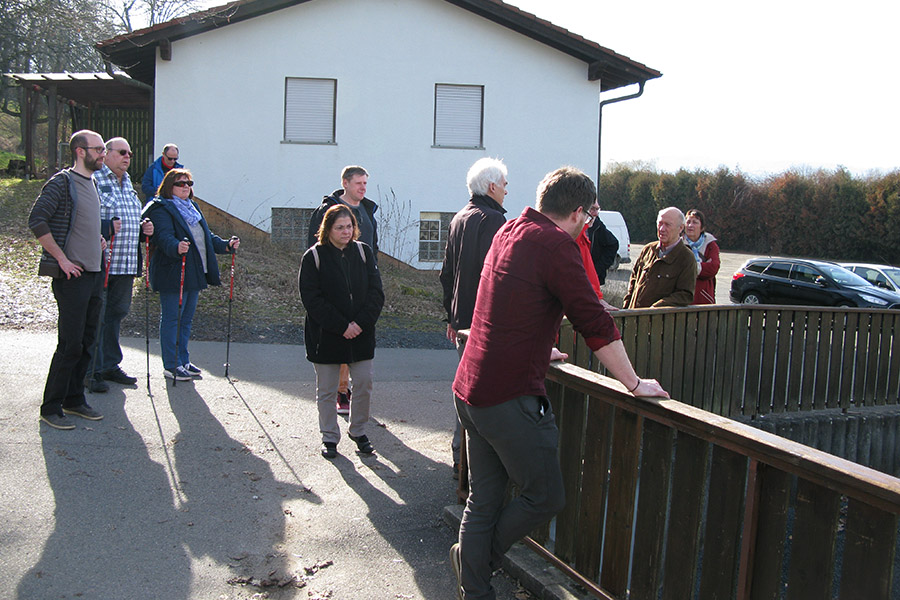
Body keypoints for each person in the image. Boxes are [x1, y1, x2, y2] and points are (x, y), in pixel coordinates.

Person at [450, 167, 669, 600]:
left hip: (470, 386)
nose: (588, 224)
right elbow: (594, 321)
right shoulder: (555, 245)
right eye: (589, 218)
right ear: (578, 212)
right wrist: (633, 382)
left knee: (484, 500)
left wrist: (536, 344)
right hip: (507, 396)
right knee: (544, 496)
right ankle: (475, 564)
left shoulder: (511, 229)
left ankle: (473, 586)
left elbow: (501, 300)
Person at [29, 130, 109, 429]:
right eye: (98, 149)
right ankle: (51, 407)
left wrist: (96, 240)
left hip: (93, 272)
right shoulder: (62, 183)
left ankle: (74, 400)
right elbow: (36, 219)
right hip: (71, 276)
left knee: (88, 341)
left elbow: (80, 224)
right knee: (70, 344)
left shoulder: (93, 183)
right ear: (79, 151)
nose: (103, 153)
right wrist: (62, 259)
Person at [440, 157, 508, 478]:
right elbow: (497, 279)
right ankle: (474, 468)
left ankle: (459, 460)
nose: (507, 191)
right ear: (492, 186)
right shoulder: (494, 221)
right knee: (481, 396)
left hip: (462, 324)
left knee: (464, 391)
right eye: (504, 184)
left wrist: (451, 318)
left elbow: (447, 274)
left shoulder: (458, 218)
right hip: (485, 326)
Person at [299, 204, 384, 459]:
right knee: (326, 390)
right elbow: (311, 300)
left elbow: (376, 293)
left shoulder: (364, 253)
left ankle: (358, 431)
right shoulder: (314, 256)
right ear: (328, 229)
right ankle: (329, 437)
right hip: (326, 336)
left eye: (349, 226)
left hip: (361, 334)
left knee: (364, 383)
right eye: (340, 227)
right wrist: (341, 326)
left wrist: (359, 324)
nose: (346, 232)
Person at [143, 169, 239, 381]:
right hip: (173, 271)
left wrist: (225, 246)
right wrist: (176, 246)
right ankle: (171, 364)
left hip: (194, 271)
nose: (186, 186)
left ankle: (183, 360)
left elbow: (205, 236)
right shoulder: (160, 208)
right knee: (171, 319)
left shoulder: (192, 208)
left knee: (185, 319)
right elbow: (163, 236)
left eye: (189, 182)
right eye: (180, 183)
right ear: (169, 187)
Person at [85, 136, 155, 392]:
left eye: (130, 153)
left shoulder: (128, 185)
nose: (127, 157)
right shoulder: (94, 180)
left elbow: (128, 221)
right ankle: (90, 370)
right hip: (100, 264)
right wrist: (105, 227)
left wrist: (142, 228)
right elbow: (83, 218)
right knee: (97, 317)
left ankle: (109, 365)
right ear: (107, 153)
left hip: (125, 264)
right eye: (122, 152)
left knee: (115, 316)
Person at [307, 166, 378, 415]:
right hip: (333, 289)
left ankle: (357, 415)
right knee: (337, 340)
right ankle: (340, 391)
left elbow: (373, 247)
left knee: (358, 345)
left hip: (361, 285)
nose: (363, 188)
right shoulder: (329, 211)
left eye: (365, 183)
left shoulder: (367, 210)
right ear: (345, 183)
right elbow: (314, 250)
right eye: (358, 183)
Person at [623, 207, 697, 309]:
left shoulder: (686, 258)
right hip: (633, 317)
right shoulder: (648, 250)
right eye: (660, 223)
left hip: (658, 321)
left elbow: (685, 295)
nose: (662, 229)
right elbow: (633, 282)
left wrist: (656, 308)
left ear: (680, 228)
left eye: (668, 225)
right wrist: (626, 308)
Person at [683, 208, 720, 304]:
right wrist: (702, 267)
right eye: (688, 222)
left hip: (704, 298)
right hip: (683, 298)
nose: (690, 225)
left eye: (695, 222)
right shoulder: (678, 244)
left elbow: (713, 268)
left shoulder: (710, 244)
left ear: (702, 227)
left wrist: (689, 268)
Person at [585, 205, 619, 285]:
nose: (595, 213)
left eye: (597, 209)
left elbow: (613, 244)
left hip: (593, 282)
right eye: (592, 209)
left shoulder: (598, 226)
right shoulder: (571, 227)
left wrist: (597, 269)